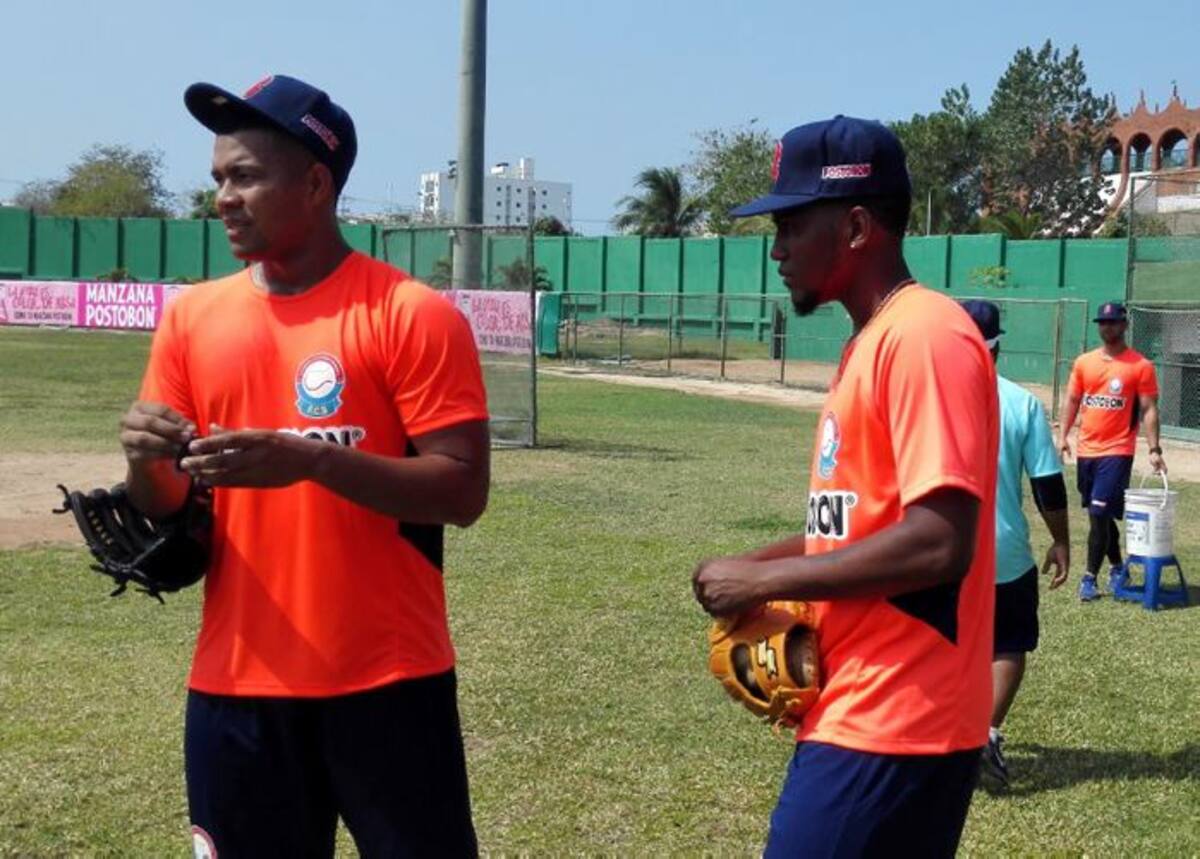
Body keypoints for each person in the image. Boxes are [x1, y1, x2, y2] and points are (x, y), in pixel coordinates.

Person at [117, 74, 489, 856]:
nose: (223, 197)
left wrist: (309, 460)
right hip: (236, 684)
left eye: (246, 176)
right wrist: (144, 461)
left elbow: (461, 489)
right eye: (219, 177)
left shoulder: (409, 314)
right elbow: (164, 504)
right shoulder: (192, 319)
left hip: (390, 681)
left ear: (316, 184)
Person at [692, 116, 998, 857]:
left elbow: (940, 541)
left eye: (792, 225)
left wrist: (771, 579)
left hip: (898, 719)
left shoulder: (924, 336)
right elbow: (863, 525)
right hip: (862, 709)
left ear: (857, 226)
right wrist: (756, 565)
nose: (778, 248)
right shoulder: (873, 340)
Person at [960, 300, 1070, 788]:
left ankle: (937, 736)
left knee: (943, 643)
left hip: (932, 550)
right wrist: (1061, 541)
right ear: (998, 346)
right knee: (1007, 643)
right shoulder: (1021, 403)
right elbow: (1047, 484)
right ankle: (984, 733)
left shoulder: (926, 396)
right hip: (1003, 552)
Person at [1058, 301, 1165, 602]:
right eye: (1103, 322)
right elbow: (1072, 399)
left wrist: (1154, 449)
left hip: (1118, 450)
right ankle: (1118, 566)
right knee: (1101, 516)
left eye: (1113, 322)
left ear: (1125, 325)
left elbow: (1148, 409)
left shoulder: (1140, 366)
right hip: (1087, 451)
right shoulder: (1084, 362)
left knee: (1098, 512)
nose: (1107, 327)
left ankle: (1089, 578)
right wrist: (1062, 436)